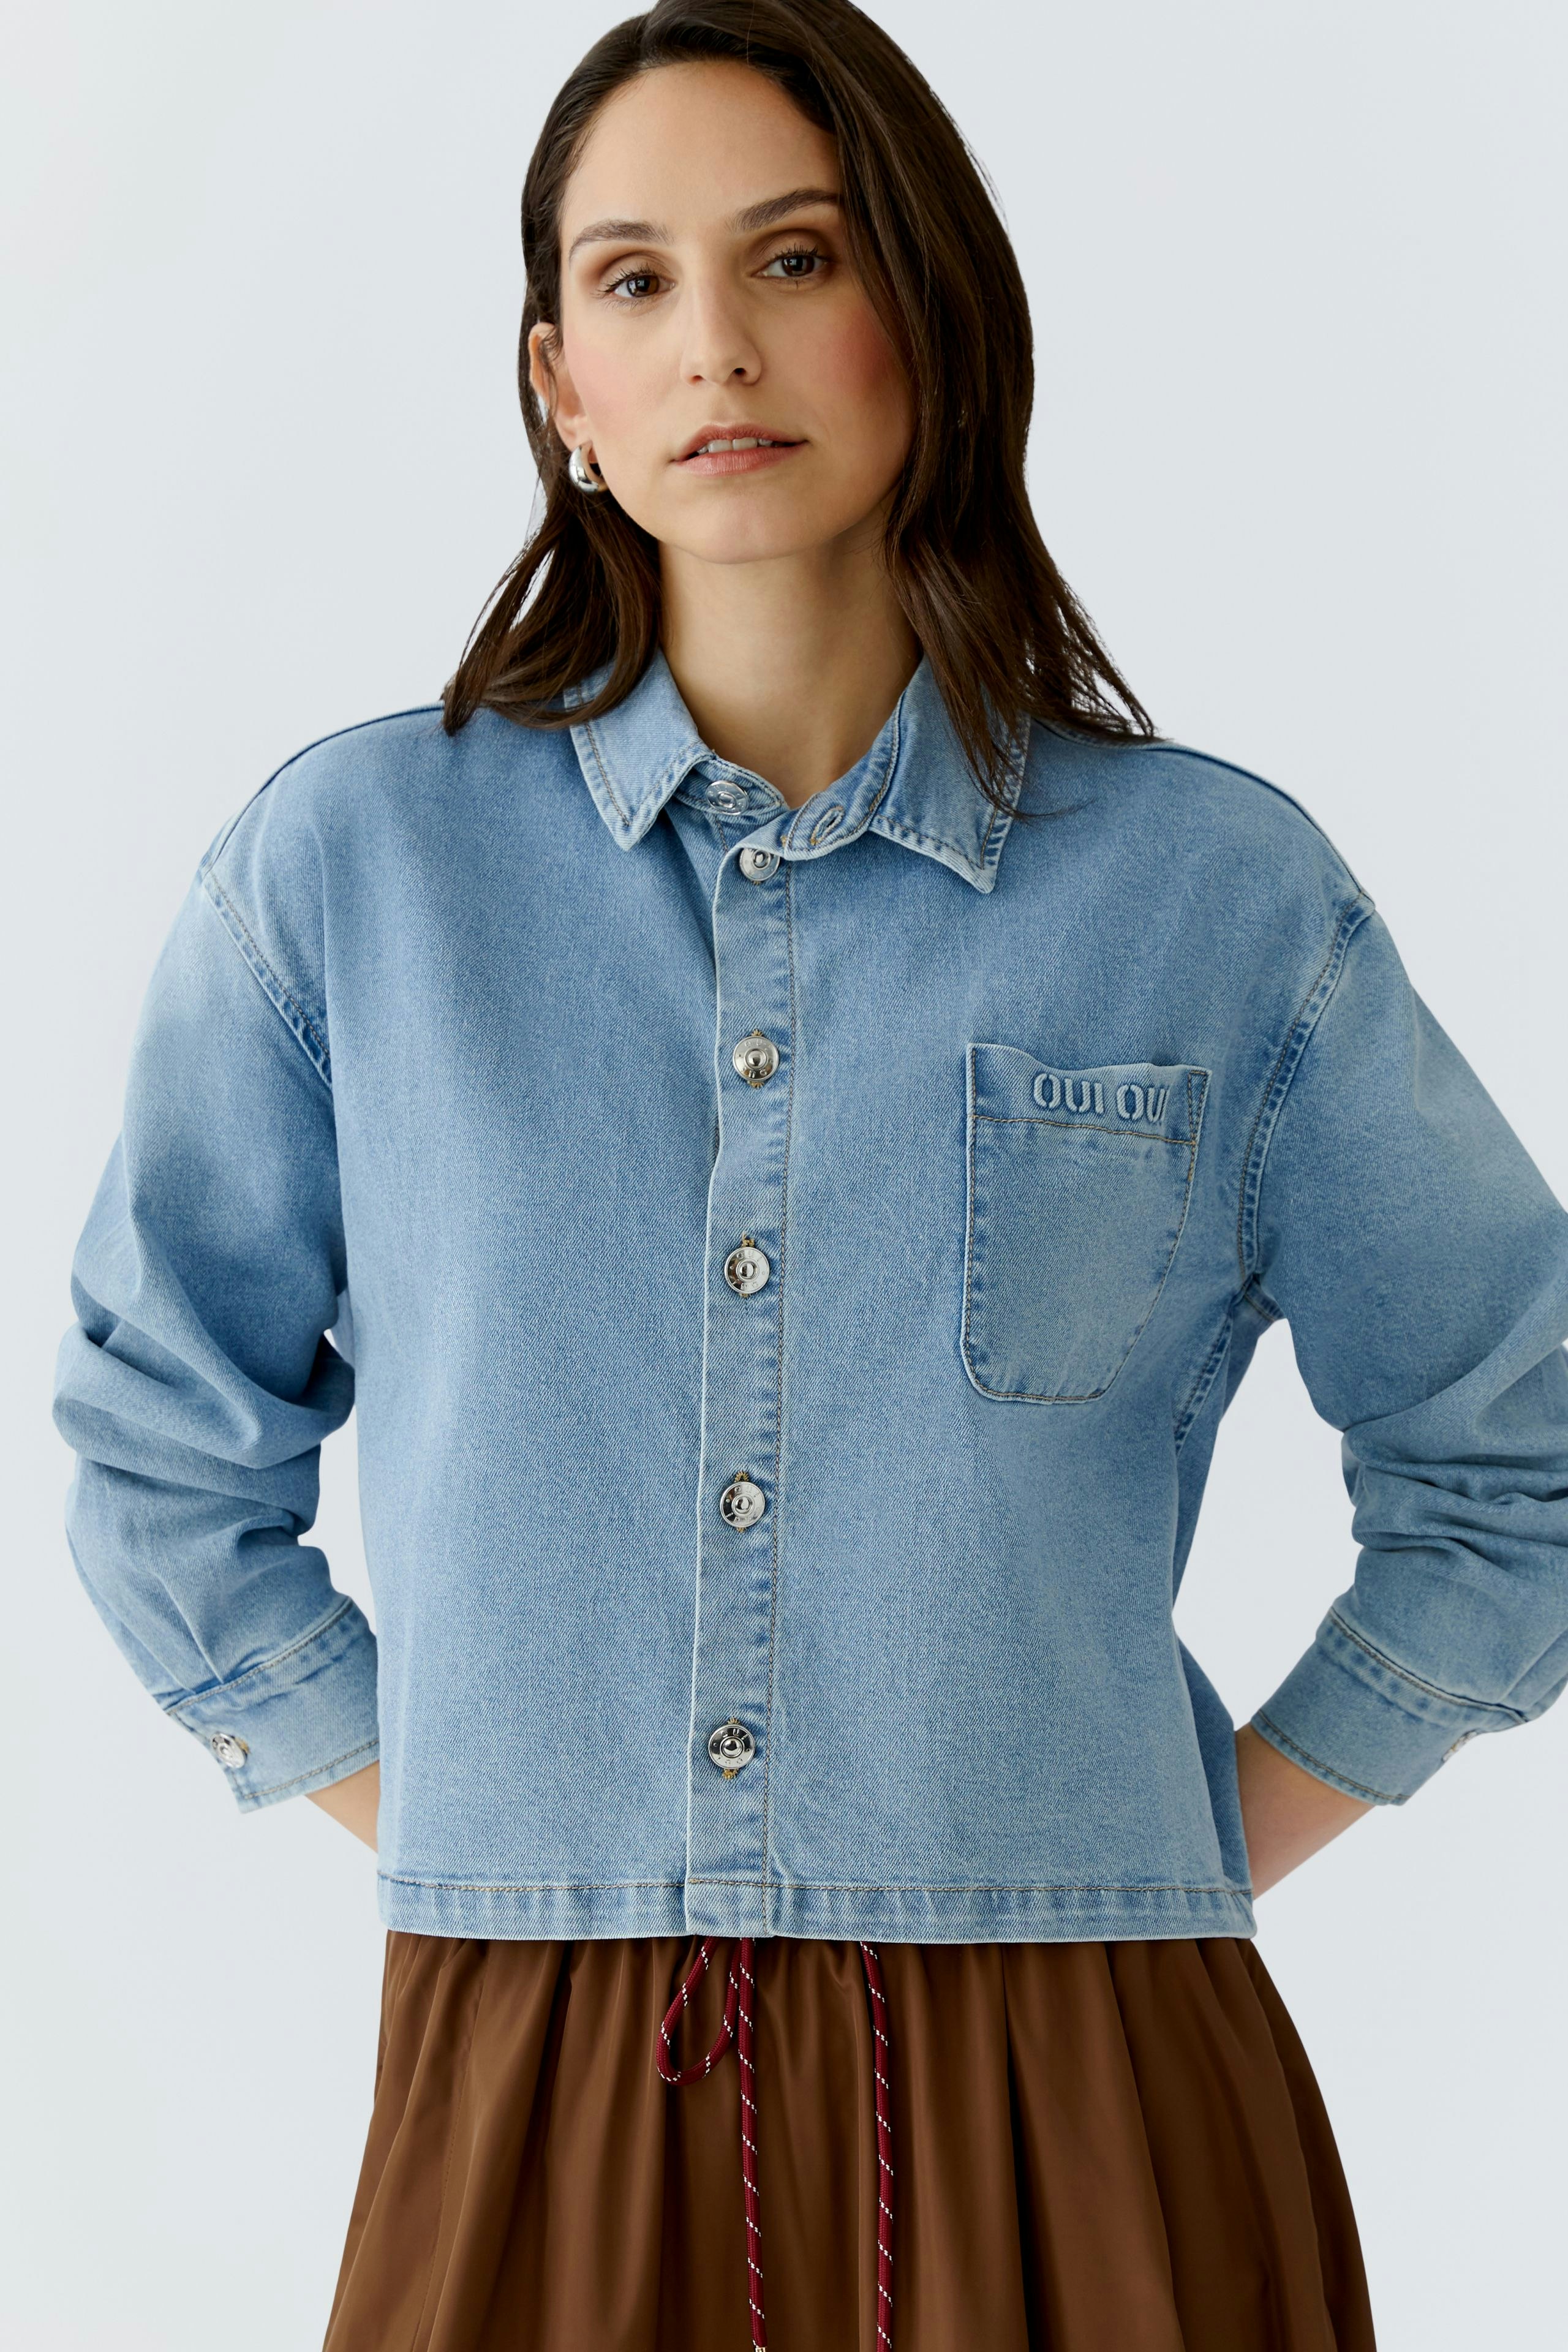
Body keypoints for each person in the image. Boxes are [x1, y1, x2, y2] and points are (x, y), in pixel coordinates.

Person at [51, 3, 1568, 2346]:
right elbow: (160, 1451)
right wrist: (469, 1824)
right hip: (537, 2061)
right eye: (635, 282)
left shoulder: (1217, 896)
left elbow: (1519, 1440)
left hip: (1096, 2074)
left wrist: (1197, 1839)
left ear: (929, 321)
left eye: (795, 254)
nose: (716, 345)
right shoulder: (354, 875)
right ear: (558, 379)